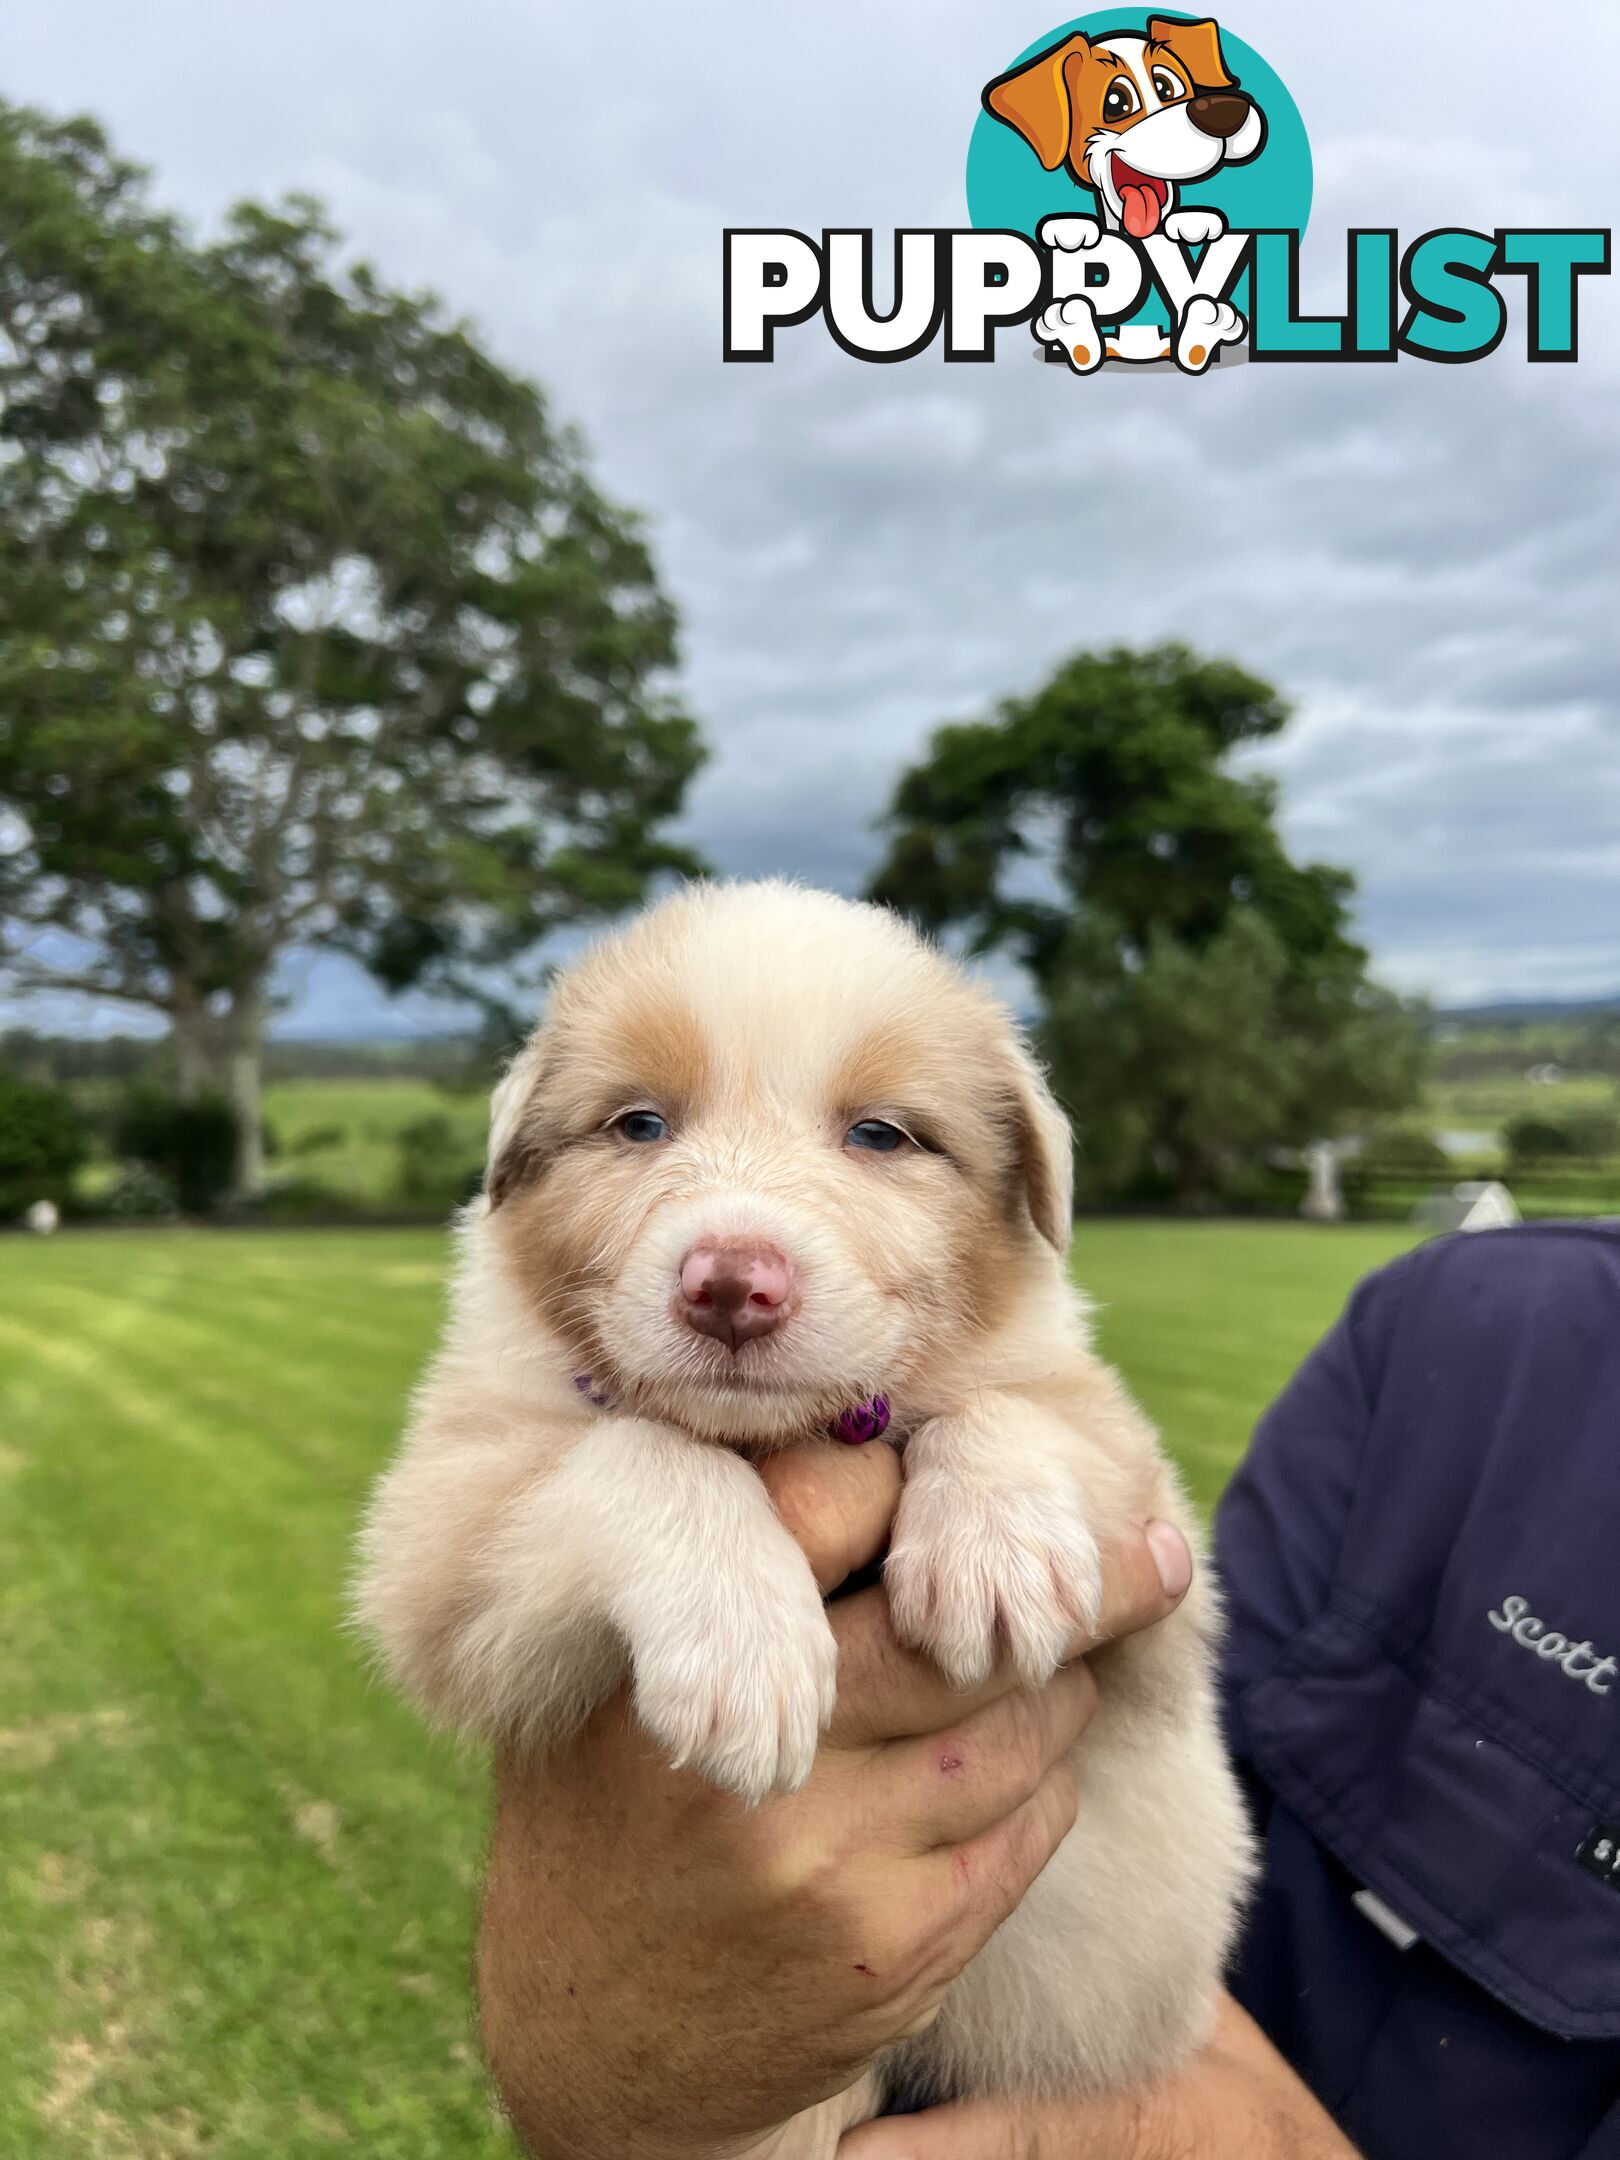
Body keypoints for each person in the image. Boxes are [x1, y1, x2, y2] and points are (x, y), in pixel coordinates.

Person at [478, 1225, 1620, 2157]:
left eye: (880, 1134)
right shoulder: (1468, 1321)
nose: (738, 1254)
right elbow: (1185, 1705)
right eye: (640, 1126)